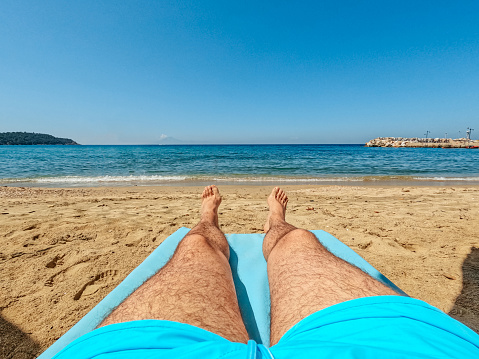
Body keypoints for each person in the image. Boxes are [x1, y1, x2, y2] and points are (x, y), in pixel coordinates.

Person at [55, 186, 479, 358]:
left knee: (195, 246)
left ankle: (209, 222)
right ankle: (275, 225)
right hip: (397, 345)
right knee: (298, 243)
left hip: (146, 347)